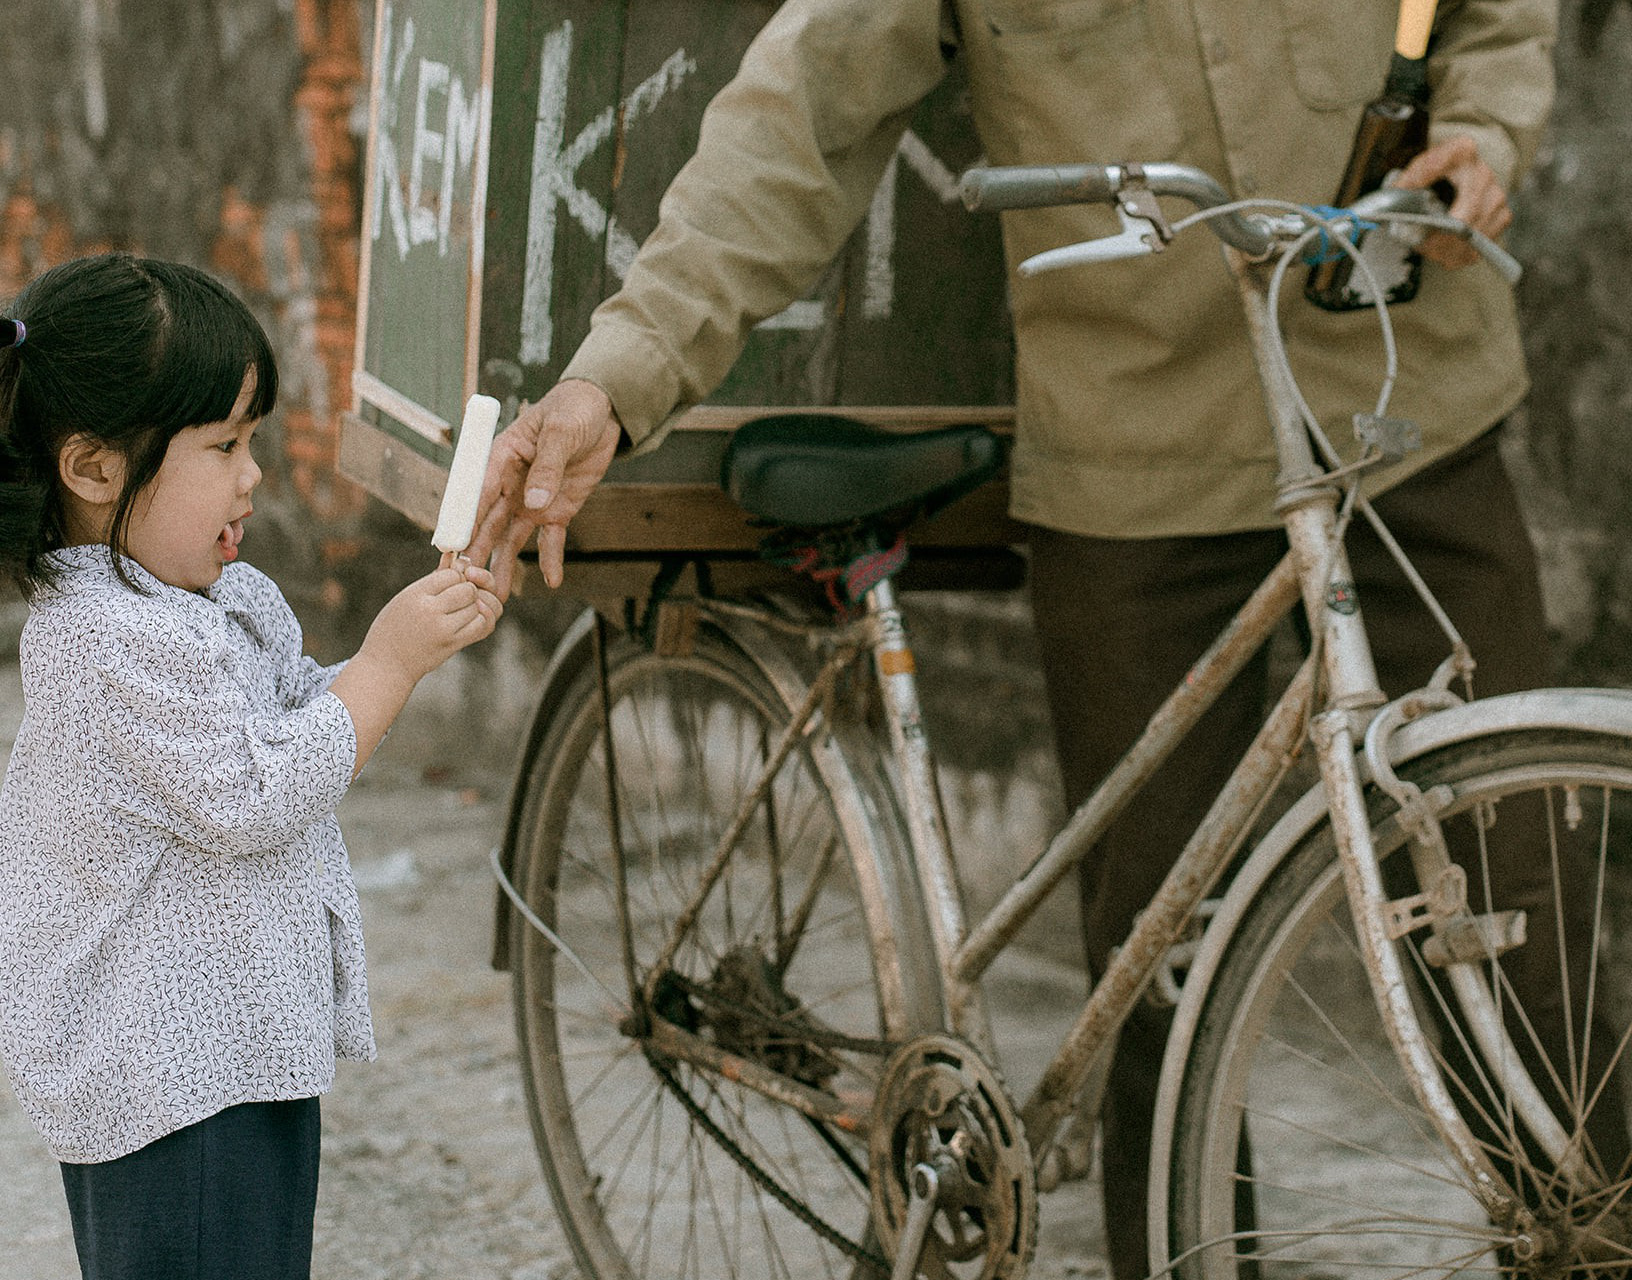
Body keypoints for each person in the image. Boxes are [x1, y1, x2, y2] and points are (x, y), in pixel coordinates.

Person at [463, 1, 1625, 1276]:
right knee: (1158, 968)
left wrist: (1478, 129)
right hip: (1137, 469)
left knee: (1524, 896)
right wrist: (612, 377)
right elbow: (803, 114)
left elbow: (1494, 15)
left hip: (1411, 407)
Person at [0, 252, 501, 1280]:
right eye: (223, 443)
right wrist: (389, 661)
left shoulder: (201, 604)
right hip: (169, 1085)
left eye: (253, 441)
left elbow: (294, 720)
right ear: (94, 467)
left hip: (238, 1051)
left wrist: (403, 649)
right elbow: (256, 789)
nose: (252, 474)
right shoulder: (105, 637)